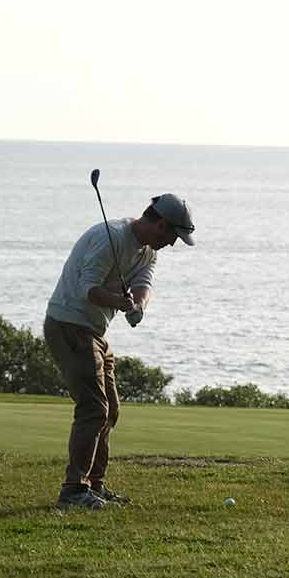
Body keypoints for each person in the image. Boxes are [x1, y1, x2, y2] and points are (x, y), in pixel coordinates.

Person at [43, 193, 196, 509]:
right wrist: (120, 303)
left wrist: (138, 304)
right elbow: (89, 289)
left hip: (94, 330)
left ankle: (94, 486)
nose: (172, 244)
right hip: (69, 324)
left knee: (109, 410)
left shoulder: (147, 251)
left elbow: (144, 283)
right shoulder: (109, 236)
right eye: (172, 236)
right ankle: (73, 491)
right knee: (93, 408)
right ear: (161, 224)